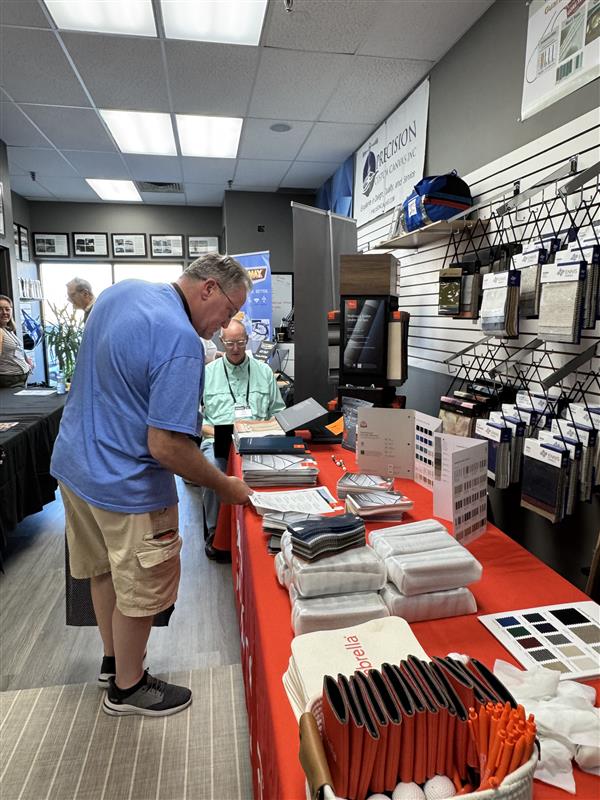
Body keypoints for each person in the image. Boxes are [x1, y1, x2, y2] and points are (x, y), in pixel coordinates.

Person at [50, 254, 253, 718]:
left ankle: (113, 662)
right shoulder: (182, 341)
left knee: (103, 571)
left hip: (76, 467)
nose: (227, 325)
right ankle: (128, 686)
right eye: (228, 310)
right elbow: (166, 447)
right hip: (127, 485)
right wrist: (223, 485)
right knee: (141, 587)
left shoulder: (122, 292)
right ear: (207, 288)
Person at [200, 318, 285, 561]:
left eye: (239, 342)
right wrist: (219, 433)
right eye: (229, 343)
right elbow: (196, 422)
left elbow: (278, 414)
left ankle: (268, 527)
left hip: (259, 440)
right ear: (221, 342)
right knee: (210, 470)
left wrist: (260, 429)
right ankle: (216, 533)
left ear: (247, 340)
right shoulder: (207, 374)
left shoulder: (264, 372)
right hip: (217, 441)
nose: (235, 348)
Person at [0, 294, 33, 388]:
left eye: (7, 309)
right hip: (9, 381)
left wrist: (26, 362)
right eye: (0, 309)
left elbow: (16, 349)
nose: (4, 312)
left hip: (17, 379)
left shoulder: (6, 329)